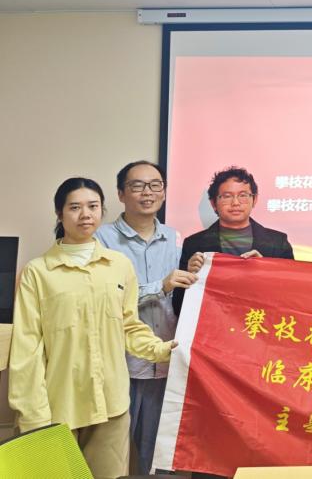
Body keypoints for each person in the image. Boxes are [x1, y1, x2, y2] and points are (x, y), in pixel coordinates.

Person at [9, 177, 176, 479]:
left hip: (111, 405)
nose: (85, 214)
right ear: (59, 214)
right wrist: (32, 414)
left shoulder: (118, 265)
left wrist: (163, 350)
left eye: (93, 206)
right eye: (75, 207)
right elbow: (26, 349)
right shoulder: (38, 272)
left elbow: (128, 327)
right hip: (57, 407)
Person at [95, 161, 196, 475]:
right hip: (119, 364)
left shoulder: (175, 237)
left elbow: (183, 297)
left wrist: (199, 269)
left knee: (161, 459)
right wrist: (160, 286)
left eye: (155, 185)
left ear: (163, 191)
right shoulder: (101, 239)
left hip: (165, 364)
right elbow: (105, 298)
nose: (147, 192)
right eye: (137, 186)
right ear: (121, 194)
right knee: (109, 458)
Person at [173, 166, 294, 315]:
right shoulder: (194, 244)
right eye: (227, 196)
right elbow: (178, 308)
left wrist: (266, 273)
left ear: (254, 199)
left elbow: (291, 298)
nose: (236, 202)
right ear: (213, 203)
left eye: (243, 195)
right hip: (215, 324)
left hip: (261, 323)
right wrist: (189, 275)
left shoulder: (278, 242)